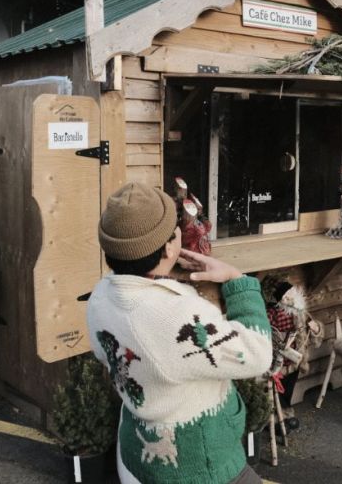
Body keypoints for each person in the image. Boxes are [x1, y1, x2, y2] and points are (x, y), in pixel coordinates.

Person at [86, 182, 272, 484]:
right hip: (199, 466)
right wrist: (238, 281)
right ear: (172, 246)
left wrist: (167, 276)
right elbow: (258, 354)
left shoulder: (100, 296)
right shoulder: (174, 315)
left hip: (137, 449)